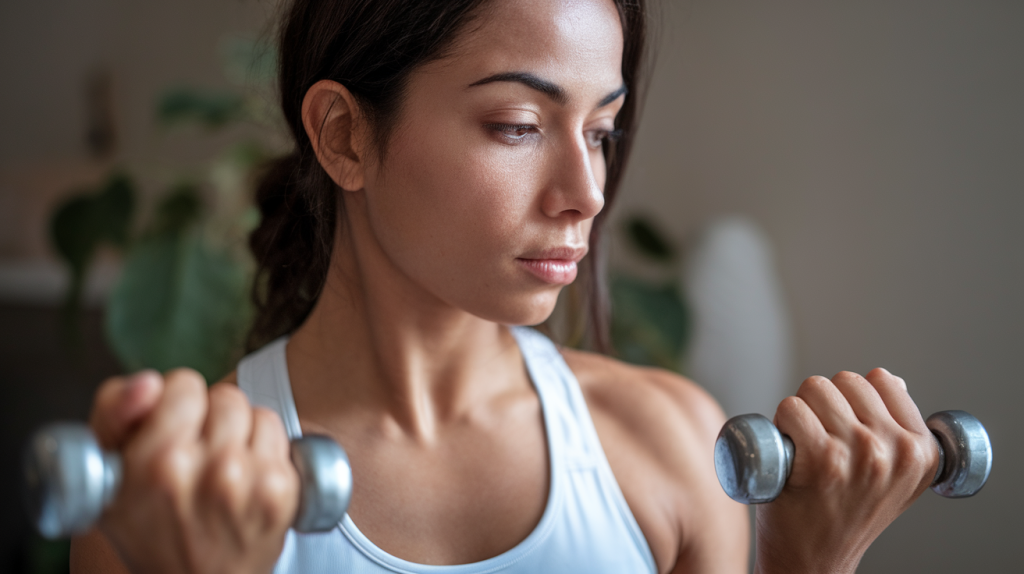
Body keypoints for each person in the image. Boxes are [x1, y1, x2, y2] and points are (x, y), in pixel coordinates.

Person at [70, 0, 941, 572]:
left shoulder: (671, 445)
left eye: (600, 131)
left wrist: (809, 567)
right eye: (518, 126)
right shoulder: (169, 506)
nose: (588, 192)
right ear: (344, 136)